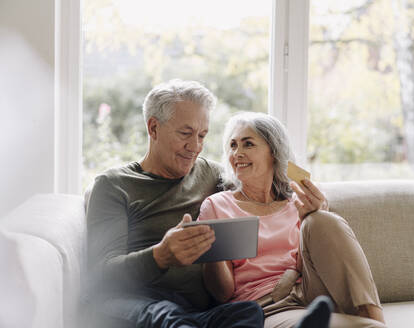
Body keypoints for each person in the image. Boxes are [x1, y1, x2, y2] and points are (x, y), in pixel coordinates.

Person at [85, 80, 264, 328]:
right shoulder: (114, 185)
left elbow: (264, 193)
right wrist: (161, 255)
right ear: (154, 128)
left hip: (198, 312)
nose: (195, 147)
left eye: (202, 135)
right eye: (185, 133)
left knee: (248, 312)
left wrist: (308, 204)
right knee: (167, 316)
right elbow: (100, 275)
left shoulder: (212, 175)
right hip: (135, 303)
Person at [197, 112, 386, 328]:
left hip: (310, 287)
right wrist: (211, 252)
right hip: (269, 305)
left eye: (248, 144)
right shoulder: (217, 206)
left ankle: (373, 314)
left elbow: (323, 264)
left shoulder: (299, 202)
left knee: (322, 221)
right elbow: (222, 293)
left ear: (274, 153)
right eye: (232, 146)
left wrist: (311, 218)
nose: (237, 153)